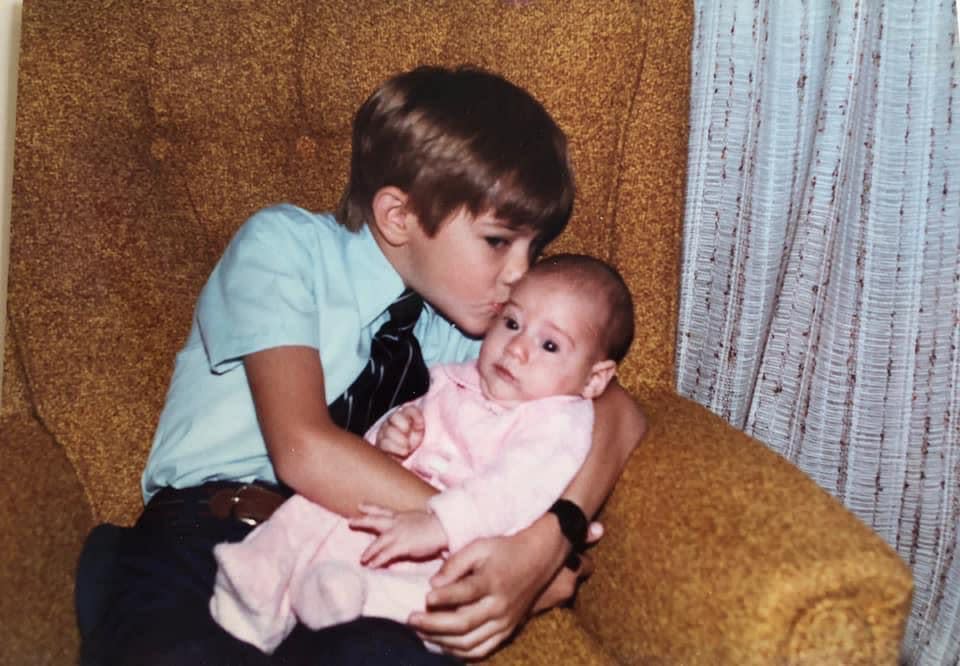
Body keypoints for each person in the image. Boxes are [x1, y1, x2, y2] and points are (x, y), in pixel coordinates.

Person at [79, 65, 646, 665]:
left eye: (534, 248)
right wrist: (494, 537)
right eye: (498, 241)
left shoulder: (476, 333)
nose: (520, 274)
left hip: (373, 564)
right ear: (398, 217)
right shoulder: (283, 249)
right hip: (218, 537)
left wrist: (549, 537)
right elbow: (304, 450)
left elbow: (619, 413)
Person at [209, 254, 635, 655]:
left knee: (434, 591)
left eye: (549, 346)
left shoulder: (558, 421)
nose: (517, 348)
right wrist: (390, 438)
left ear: (594, 379)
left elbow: (514, 487)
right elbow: (380, 441)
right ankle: (261, 583)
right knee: (316, 510)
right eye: (511, 322)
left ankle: (356, 597)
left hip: (456, 536)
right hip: (389, 507)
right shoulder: (460, 376)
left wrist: (442, 524)